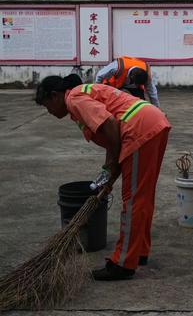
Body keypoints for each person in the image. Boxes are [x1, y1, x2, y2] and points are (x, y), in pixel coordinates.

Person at [35, 74, 171, 280]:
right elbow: (110, 135)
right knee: (142, 196)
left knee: (133, 200)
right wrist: (109, 171)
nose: (50, 112)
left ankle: (123, 263)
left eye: (47, 106)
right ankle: (138, 252)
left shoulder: (74, 99)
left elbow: (111, 126)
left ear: (54, 96)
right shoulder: (82, 94)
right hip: (153, 122)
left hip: (139, 129)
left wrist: (114, 164)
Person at [95, 56, 160, 107]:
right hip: (114, 83)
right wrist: (98, 91)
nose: (137, 85)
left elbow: (152, 91)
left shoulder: (146, 74)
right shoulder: (116, 67)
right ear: (131, 77)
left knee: (141, 102)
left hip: (129, 82)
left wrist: (156, 108)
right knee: (110, 101)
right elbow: (100, 75)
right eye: (137, 84)